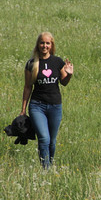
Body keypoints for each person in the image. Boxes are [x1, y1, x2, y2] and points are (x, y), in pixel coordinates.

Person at [20, 32, 74, 169]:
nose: (44, 46)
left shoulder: (57, 62)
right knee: (44, 138)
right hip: (37, 106)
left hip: (55, 106)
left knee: (52, 141)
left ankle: (49, 163)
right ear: (38, 45)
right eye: (42, 43)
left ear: (51, 45)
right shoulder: (31, 64)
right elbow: (27, 87)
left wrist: (69, 75)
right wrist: (23, 109)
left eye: (47, 43)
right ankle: (46, 169)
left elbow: (64, 82)